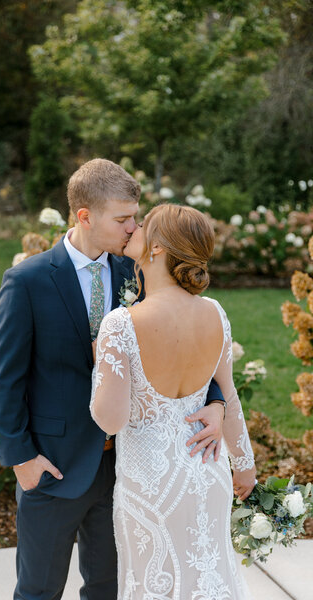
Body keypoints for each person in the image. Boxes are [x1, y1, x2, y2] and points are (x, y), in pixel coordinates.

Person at [0, 159, 226, 600]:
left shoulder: (134, 273)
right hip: (54, 466)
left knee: (109, 588)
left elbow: (178, 338)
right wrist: (22, 460)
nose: (135, 229)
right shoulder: (28, 281)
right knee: (38, 590)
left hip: (126, 469)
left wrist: (216, 401)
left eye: (136, 216)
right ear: (84, 216)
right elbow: (3, 379)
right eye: (123, 219)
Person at [90, 203, 256, 599]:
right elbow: (228, 397)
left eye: (143, 225)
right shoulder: (215, 312)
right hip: (207, 470)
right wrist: (244, 465)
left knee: (154, 585)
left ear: (159, 247)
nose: (135, 230)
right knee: (210, 577)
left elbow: (110, 420)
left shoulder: (121, 324)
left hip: (149, 486)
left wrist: (104, 362)